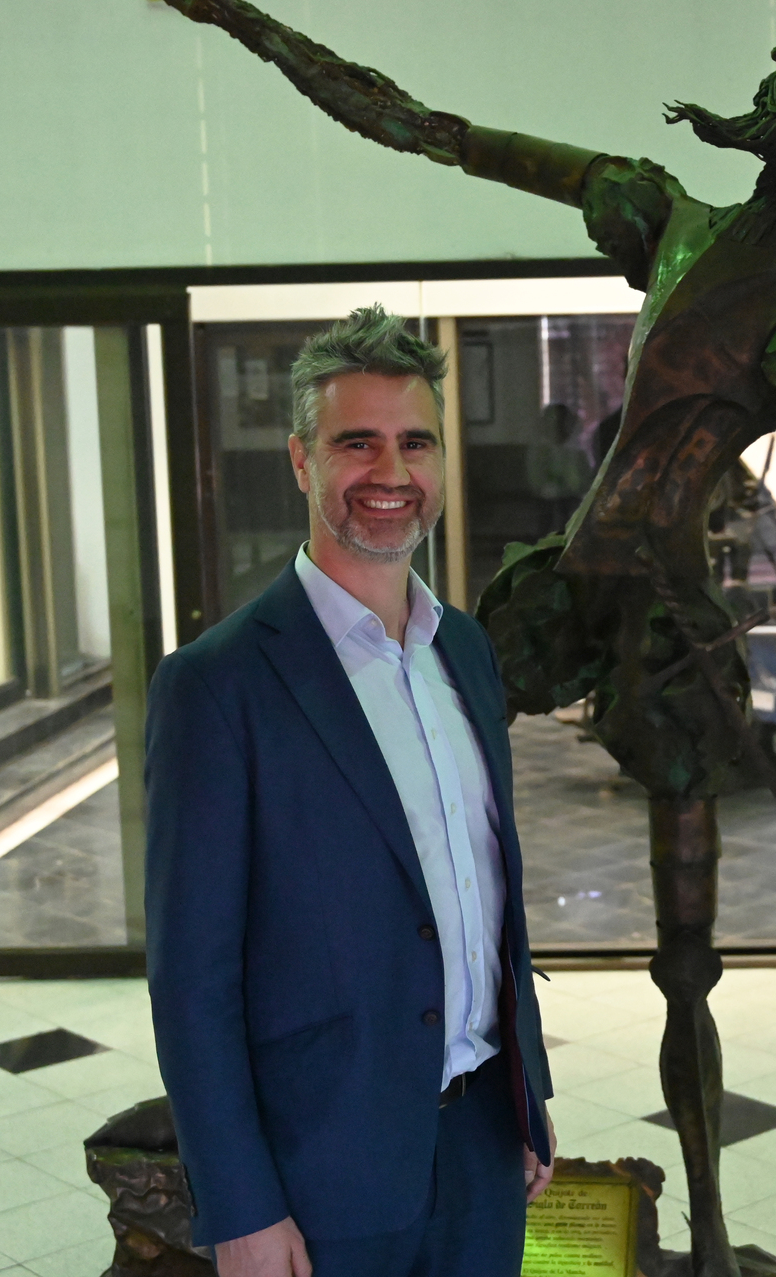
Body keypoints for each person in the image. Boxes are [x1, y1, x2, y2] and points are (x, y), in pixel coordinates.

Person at [144, 305, 555, 1277]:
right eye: (356, 442)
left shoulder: (467, 650)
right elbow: (192, 980)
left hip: (483, 1145)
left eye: (416, 442)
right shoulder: (217, 685)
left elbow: (490, 899)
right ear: (301, 460)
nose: (391, 472)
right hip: (319, 1167)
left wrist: (526, 1100)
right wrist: (241, 1205)